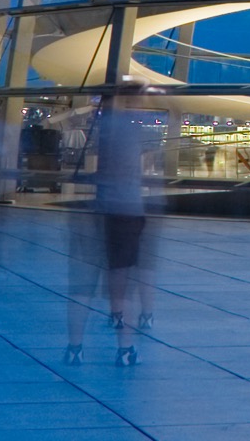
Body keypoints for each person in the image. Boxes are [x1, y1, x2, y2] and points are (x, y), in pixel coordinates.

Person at [93, 86, 158, 365]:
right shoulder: (130, 129)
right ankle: (128, 343)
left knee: (117, 268)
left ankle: (117, 313)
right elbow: (132, 171)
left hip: (111, 207)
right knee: (136, 269)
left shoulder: (105, 127)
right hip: (130, 208)